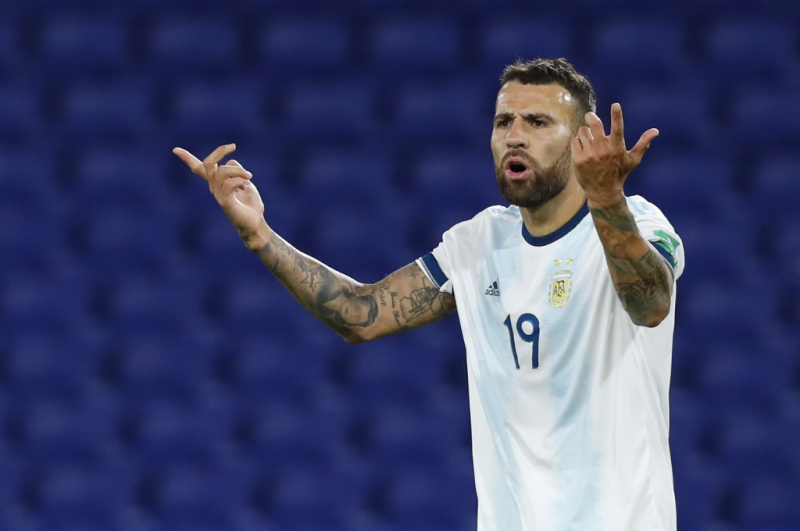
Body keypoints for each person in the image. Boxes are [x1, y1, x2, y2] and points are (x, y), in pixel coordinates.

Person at [174, 58, 684, 531]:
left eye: (537, 122)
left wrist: (607, 199)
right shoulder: (479, 241)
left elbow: (650, 304)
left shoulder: (637, 222)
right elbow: (361, 314)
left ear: (582, 142)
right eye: (503, 122)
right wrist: (260, 235)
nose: (514, 137)